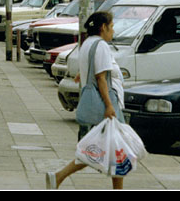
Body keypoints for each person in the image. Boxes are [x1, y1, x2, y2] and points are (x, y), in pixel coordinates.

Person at [45, 11, 125, 190]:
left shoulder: (87, 44)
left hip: (97, 106)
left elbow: (91, 71)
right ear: (103, 27)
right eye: (111, 27)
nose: (113, 31)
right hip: (105, 107)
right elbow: (101, 78)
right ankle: (59, 176)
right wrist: (109, 106)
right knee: (112, 151)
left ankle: (59, 177)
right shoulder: (101, 46)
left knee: (107, 152)